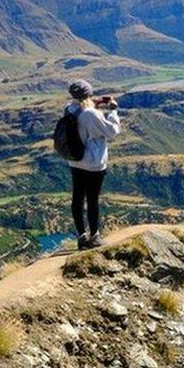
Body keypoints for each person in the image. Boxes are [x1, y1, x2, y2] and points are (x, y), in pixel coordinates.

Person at [65, 79, 121, 249]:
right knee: (92, 200)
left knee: (77, 198)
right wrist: (113, 111)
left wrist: (95, 104)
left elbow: (82, 114)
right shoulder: (91, 114)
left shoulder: (69, 109)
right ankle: (95, 236)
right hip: (94, 164)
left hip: (75, 161)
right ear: (88, 93)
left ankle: (82, 237)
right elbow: (112, 132)